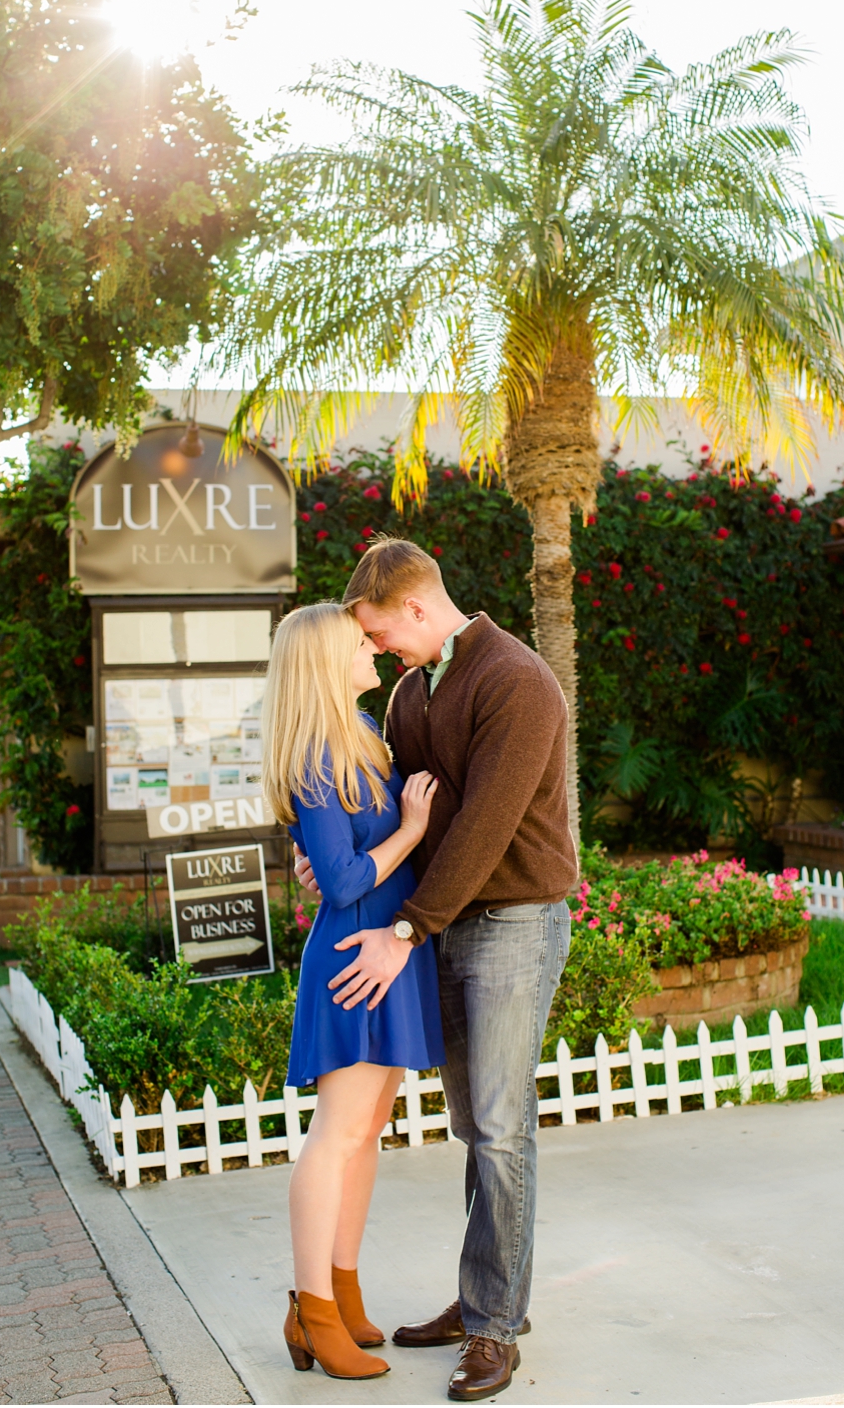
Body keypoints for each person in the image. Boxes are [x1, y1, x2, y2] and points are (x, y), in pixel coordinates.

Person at [297, 537, 577, 1403]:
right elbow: (386, 805)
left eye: (380, 634)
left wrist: (405, 932)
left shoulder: (516, 680)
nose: (378, 651)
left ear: (416, 608)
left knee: (498, 1125)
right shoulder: (417, 693)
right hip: (446, 925)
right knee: (475, 1124)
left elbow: (486, 826)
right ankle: (482, 1295)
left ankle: (494, 1328)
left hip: (513, 921)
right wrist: (328, 861)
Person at [263, 603, 441, 1381]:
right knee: (337, 1134)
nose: (373, 647)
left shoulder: (365, 737)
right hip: (352, 961)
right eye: (359, 642)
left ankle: (343, 1290)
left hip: (390, 954)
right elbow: (337, 879)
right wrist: (407, 829)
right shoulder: (312, 757)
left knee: (367, 1131)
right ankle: (311, 1310)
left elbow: (334, 865)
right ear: (326, 661)